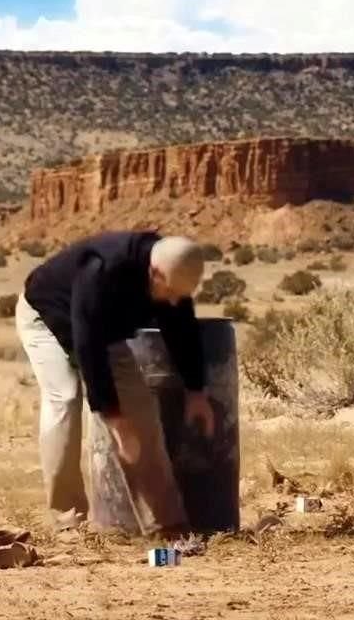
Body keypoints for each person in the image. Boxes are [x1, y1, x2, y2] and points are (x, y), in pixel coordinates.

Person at [15, 230, 215, 538]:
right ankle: (67, 519)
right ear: (155, 272)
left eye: (181, 295)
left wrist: (196, 391)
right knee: (65, 398)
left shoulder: (172, 274)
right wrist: (116, 420)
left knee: (142, 410)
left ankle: (167, 525)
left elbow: (182, 330)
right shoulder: (101, 271)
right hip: (47, 318)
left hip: (103, 330)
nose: (174, 300)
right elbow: (88, 346)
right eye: (171, 292)